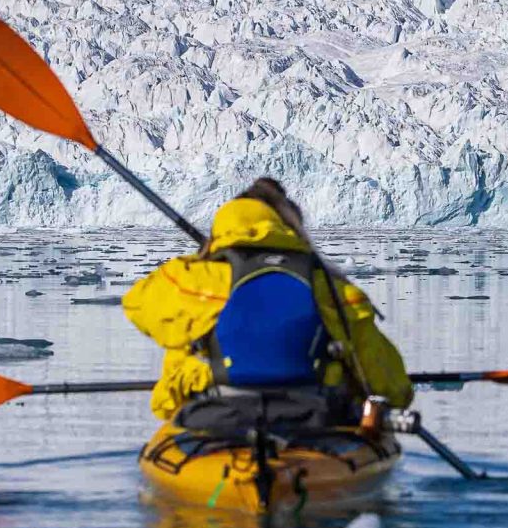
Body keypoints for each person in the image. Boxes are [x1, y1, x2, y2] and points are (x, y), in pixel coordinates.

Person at [121, 178, 412, 430]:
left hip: (213, 419)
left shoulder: (191, 280)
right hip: (316, 422)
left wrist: (202, 261)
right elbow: (393, 389)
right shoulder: (333, 290)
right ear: (290, 225)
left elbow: (136, 303)